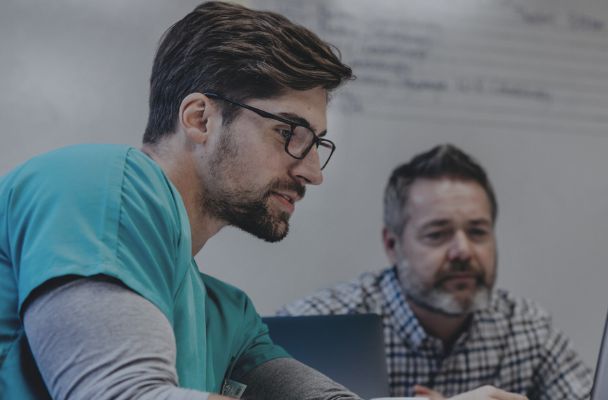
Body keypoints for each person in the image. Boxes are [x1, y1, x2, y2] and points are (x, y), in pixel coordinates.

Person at [0, 2, 367, 398]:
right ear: (199, 119)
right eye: (288, 133)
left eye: (317, 144)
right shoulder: (97, 185)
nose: (313, 172)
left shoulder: (226, 316)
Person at [279, 144, 596, 399]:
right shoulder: (315, 327)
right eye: (437, 234)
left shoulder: (527, 327)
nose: (463, 251)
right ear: (392, 244)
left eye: (478, 232)